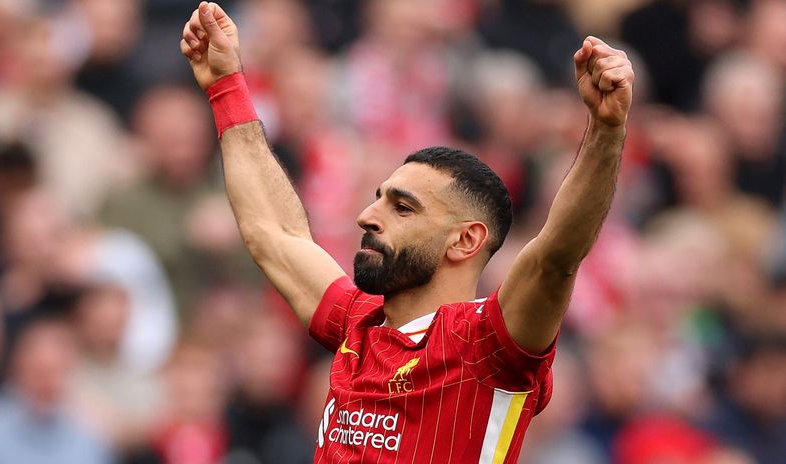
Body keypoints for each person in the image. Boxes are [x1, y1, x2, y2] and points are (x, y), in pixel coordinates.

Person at [179, 2, 634, 463]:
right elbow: (274, 232)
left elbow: (557, 256)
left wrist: (605, 130)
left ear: (466, 240)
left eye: (402, 208)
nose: (366, 216)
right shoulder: (358, 322)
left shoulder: (490, 344)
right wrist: (226, 85)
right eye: (377, 198)